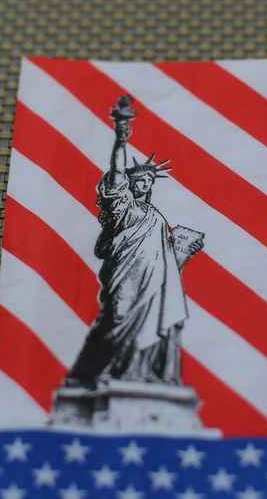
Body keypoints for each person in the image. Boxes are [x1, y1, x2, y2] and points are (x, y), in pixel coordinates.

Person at [65, 96, 201, 387]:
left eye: (149, 182)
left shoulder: (155, 214)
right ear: (130, 183)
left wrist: (183, 249)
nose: (145, 184)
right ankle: (94, 373)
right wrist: (120, 140)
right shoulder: (123, 204)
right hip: (126, 273)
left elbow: (162, 255)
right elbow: (116, 173)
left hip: (155, 279)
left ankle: (139, 372)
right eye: (140, 180)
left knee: (154, 320)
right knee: (119, 316)